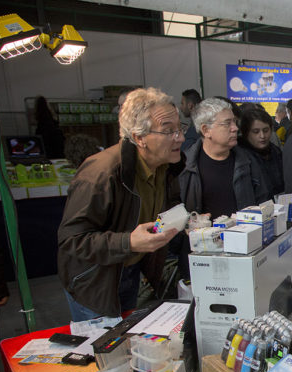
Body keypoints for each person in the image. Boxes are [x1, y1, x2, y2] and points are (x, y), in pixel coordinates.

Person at [58, 87, 183, 321]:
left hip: (130, 271)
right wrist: (128, 241)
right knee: (103, 349)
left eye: (179, 129)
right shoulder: (100, 174)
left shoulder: (165, 166)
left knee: (125, 340)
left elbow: (161, 207)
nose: (181, 138)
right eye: (169, 132)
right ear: (139, 137)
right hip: (95, 281)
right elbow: (71, 241)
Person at [180, 98, 270, 218]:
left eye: (234, 122)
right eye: (227, 123)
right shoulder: (185, 165)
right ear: (206, 130)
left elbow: (263, 203)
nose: (235, 128)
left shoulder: (248, 161)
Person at [239, 105, 285, 200]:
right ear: (246, 133)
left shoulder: (276, 152)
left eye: (266, 130)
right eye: (256, 132)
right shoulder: (241, 158)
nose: (262, 136)